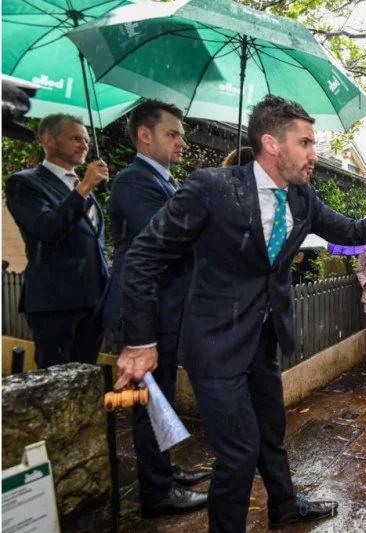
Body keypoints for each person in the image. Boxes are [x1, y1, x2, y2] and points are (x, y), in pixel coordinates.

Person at [113, 95, 366, 532]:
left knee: (271, 434)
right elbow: (143, 257)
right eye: (306, 142)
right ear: (271, 144)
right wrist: (141, 341)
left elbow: (350, 230)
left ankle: (285, 506)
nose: (315, 153)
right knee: (237, 451)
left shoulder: (302, 198)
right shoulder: (211, 187)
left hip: (264, 338)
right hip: (213, 345)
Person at [102, 100, 208, 517]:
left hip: (168, 308)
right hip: (148, 310)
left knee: (159, 397)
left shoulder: (166, 182)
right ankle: (157, 494)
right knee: (150, 403)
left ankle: (163, 471)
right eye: (172, 133)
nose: (182, 141)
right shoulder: (133, 182)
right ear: (145, 135)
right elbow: (168, 240)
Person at [5, 114, 109, 368]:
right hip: (55, 304)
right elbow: (47, 229)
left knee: (85, 380)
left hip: (93, 301)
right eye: (75, 138)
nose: (84, 145)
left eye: (86, 140)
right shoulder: (24, 183)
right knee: (55, 386)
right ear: (49, 140)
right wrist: (83, 188)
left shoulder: (82, 186)